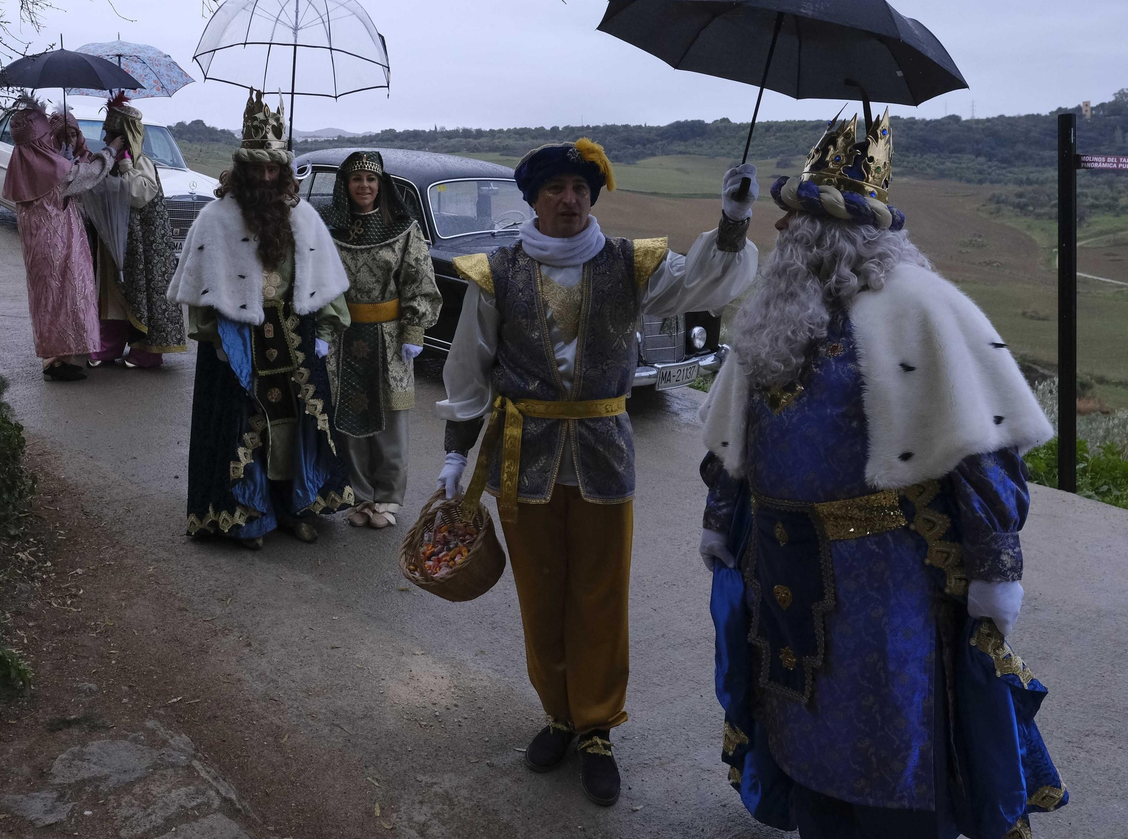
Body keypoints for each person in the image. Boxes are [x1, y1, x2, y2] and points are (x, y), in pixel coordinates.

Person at [696, 112, 1068, 839]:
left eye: (799, 223)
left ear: (842, 233)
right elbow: (734, 433)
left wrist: (996, 569)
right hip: (780, 572)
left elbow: (983, 458)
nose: (785, 234)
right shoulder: (776, 313)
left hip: (885, 585)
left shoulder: (924, 308)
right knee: (799, 733)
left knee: (891, 746)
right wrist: (719, 517)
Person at [436, 139, 759, 806]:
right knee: (541, 594)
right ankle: (557, 714)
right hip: (522, 457)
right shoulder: (497, 271)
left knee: (601, 597)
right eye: (555, 187)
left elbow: (705, 280)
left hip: (604, 457)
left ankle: (596, 729)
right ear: (534, 198)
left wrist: (732, 219)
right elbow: (469, 370)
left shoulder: (631, 264)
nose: (569, 198)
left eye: (580, 188)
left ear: (593, 197)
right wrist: (454, 453)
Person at [168, 91, 353, 550]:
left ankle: (292, 507)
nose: (267, 177)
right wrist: (213, 338)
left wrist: (326, 332)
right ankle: (246, 514)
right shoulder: (215, 219)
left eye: (275, 168)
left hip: (296, 338)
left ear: (283, 170)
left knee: (297, 425)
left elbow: (325, 285)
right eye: (258, 169)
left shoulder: (305, 218)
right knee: (241, 425)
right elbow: (200, 292)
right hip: (238, 339)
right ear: (244, 169)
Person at [322, 151, 442, 529]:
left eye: (371, 180)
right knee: (350, 419)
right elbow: (321, 283)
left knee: (391, 421)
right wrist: (322, 330)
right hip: (344, 336)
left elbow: (419, 281)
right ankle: (360, 497)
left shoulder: (403, 228)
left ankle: (387, 498)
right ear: (346, 184)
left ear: (381, 185)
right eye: (357, 179)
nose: (364, 186)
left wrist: (414, 330)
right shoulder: (329, 230)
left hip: (390, 338)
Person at [7, 96, 111, 381]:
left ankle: (55, 358)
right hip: (58, 244)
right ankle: (58, 360)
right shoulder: (54, 169)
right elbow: (89, 176)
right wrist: (110, 153)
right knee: (65, 295)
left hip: (38, 247)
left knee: (47, 298)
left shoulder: (24, 160)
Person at [82, 93, 187, 368]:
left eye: (112, 134)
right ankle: (109, 345)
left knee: (143, 290)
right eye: (106, 134)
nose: (106, 140)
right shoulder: (107, 160)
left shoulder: (142, 163)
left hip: (140, 246)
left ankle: (146, 351)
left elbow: (139, 196)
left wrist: (127, 164)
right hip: (113, 241)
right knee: (111, 292)